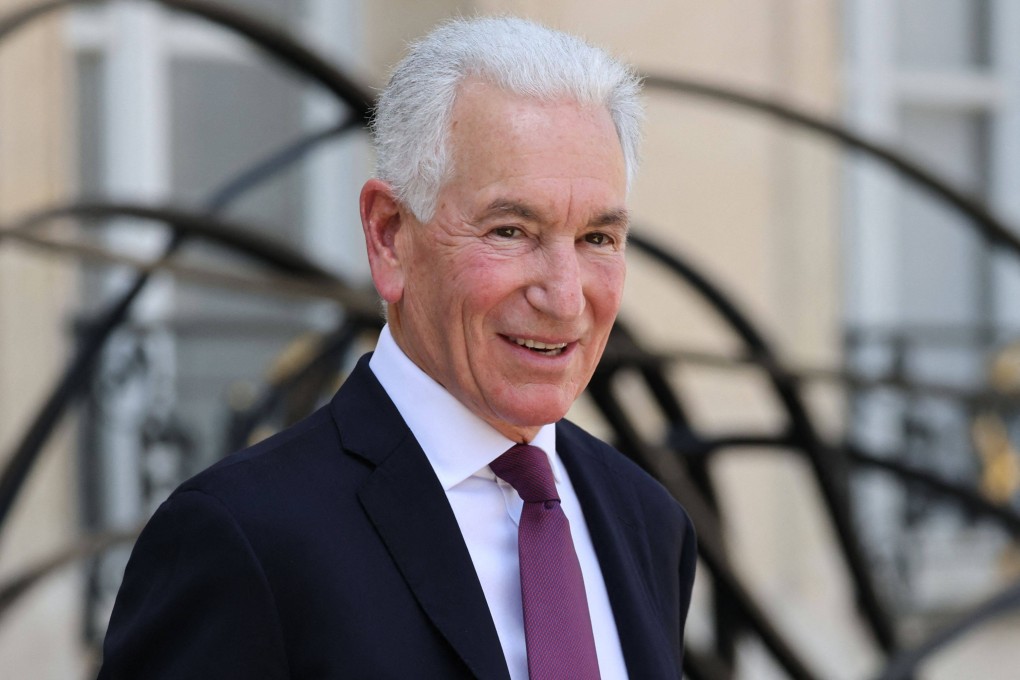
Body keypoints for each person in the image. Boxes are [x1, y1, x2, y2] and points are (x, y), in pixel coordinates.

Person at [98, 16, 696, 680]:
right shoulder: (243, 540)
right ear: (388, 237)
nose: (564, 296)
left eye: (597, 239)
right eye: (510, 230)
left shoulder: (648, 523)